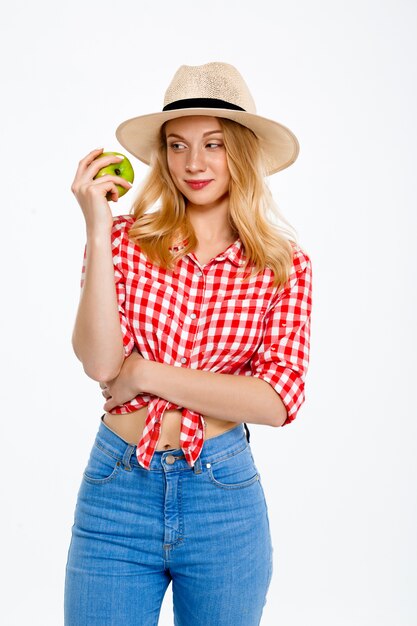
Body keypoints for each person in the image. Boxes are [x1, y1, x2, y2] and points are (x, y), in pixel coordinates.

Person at [64, 62, 313, 626]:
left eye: (213, 144)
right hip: (116, 488)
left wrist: (148, 374)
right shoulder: (125, 241)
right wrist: (98, 228)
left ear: (243, 153)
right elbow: (100, 362)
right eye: (177, 146)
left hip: (222, 496)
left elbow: (278, 400)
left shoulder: (284, 265)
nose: (193, 163)